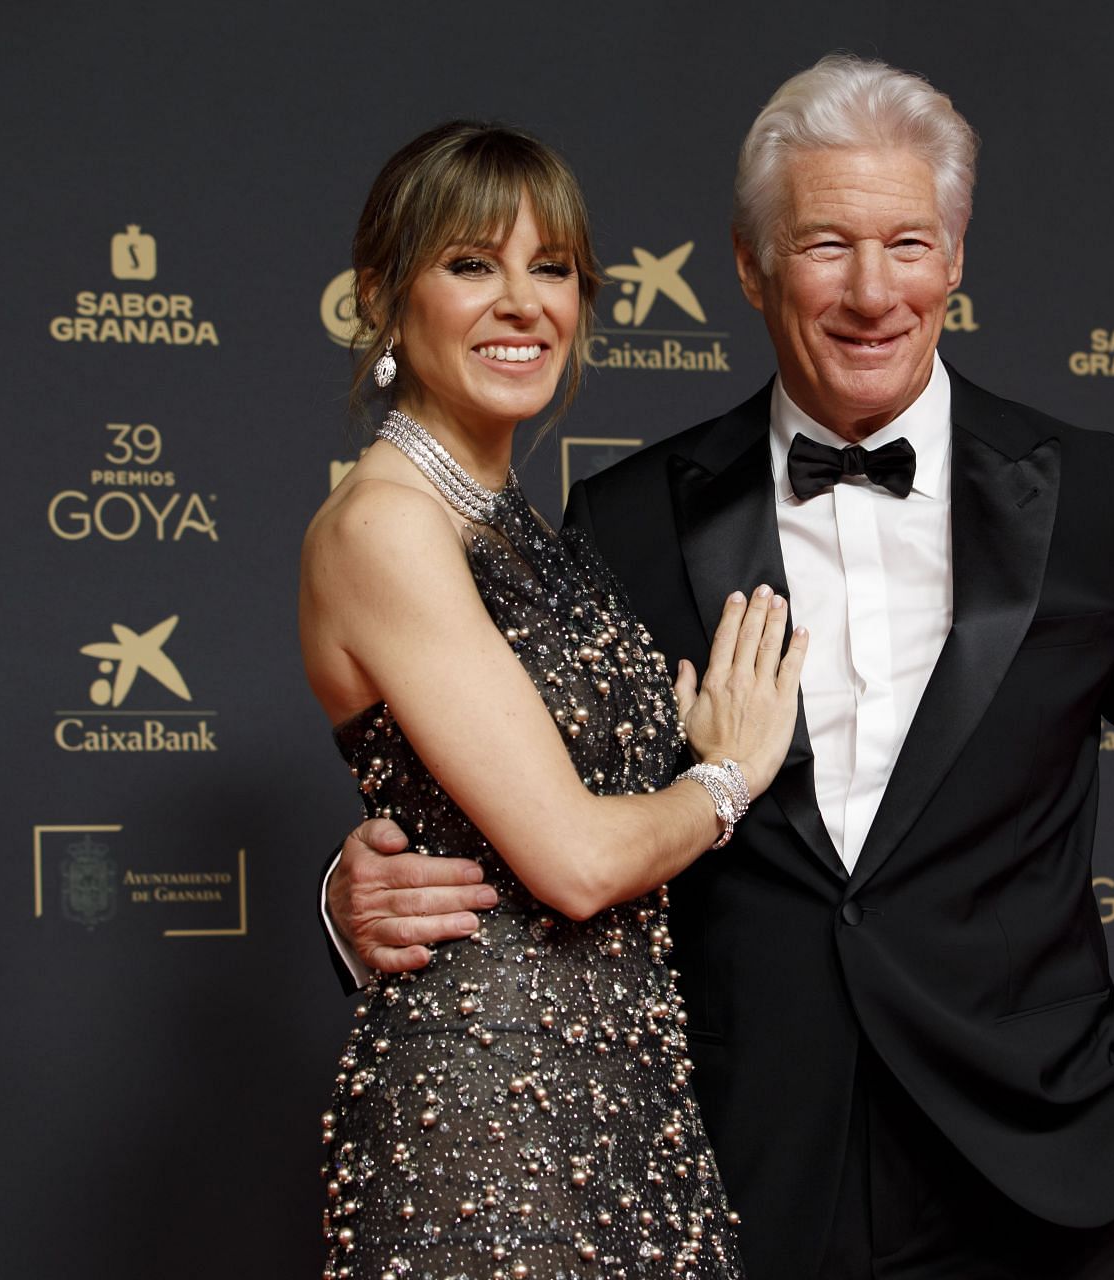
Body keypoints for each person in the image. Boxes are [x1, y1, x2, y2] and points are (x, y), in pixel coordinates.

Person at [326, 58, 1114, 1280]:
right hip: (735, 1174)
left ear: (955, 259)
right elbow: (535, 792)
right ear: (751, 265)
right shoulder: (624, 520)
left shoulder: (1098, 498)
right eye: (827, 244)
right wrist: (356, 890)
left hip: (1037, 1168)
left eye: (909, 241)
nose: (872, 290)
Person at [299, 121, 810, 1280]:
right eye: (472, 263)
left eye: (554, 268)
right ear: (382, 296)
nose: (522, 302)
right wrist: (726, 774)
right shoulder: (387, 524)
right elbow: (574, 857)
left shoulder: (532, 525)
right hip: (491, 1135)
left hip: (637, 1118)